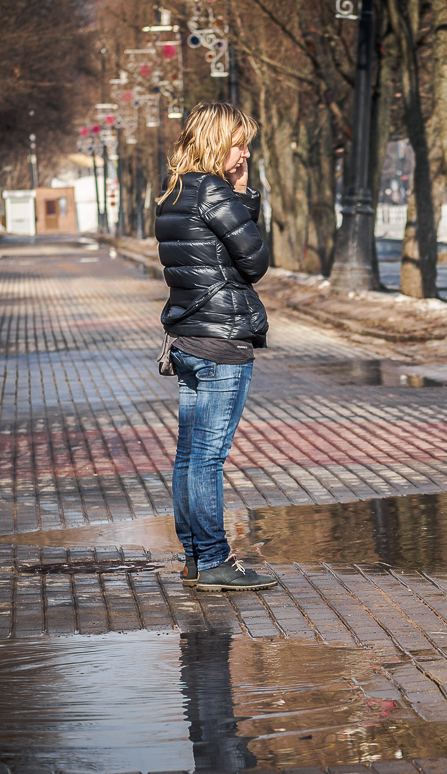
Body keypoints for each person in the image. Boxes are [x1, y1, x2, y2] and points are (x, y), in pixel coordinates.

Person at [156, 102, 276, 592]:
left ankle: (194, 556)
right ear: (214, 141)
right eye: (239, 142)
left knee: (190, 457)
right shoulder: (213, 191)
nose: (245, 152)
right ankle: (212, 559)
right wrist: (244, 194)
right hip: (220, 340)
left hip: (187, 337)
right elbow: (255, 261)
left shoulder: (176, 192)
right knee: (207, 458)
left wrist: (239, 191)